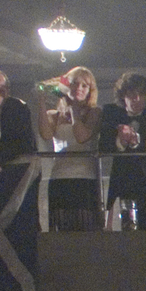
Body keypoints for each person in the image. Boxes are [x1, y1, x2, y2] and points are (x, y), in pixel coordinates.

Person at [99, 72, 146, 229]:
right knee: (131, 232)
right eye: (131, 95)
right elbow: (103, 146)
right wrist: (120, 140)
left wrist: (135, 142)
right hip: (126, 182)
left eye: (141, 95)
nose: (137, 99)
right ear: (123, 96)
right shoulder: (110, 113)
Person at [38, 66, 103, 231]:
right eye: (75, 84)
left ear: (90, 90)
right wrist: (41, 103)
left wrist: (74, 108)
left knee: (85, 227)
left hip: (84, 177)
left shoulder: (94, 113)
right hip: (59, 176)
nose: (78, 89)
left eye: (84, 86)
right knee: (61, 228)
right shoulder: (55, 114)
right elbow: (45, 134)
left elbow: (81, 136)